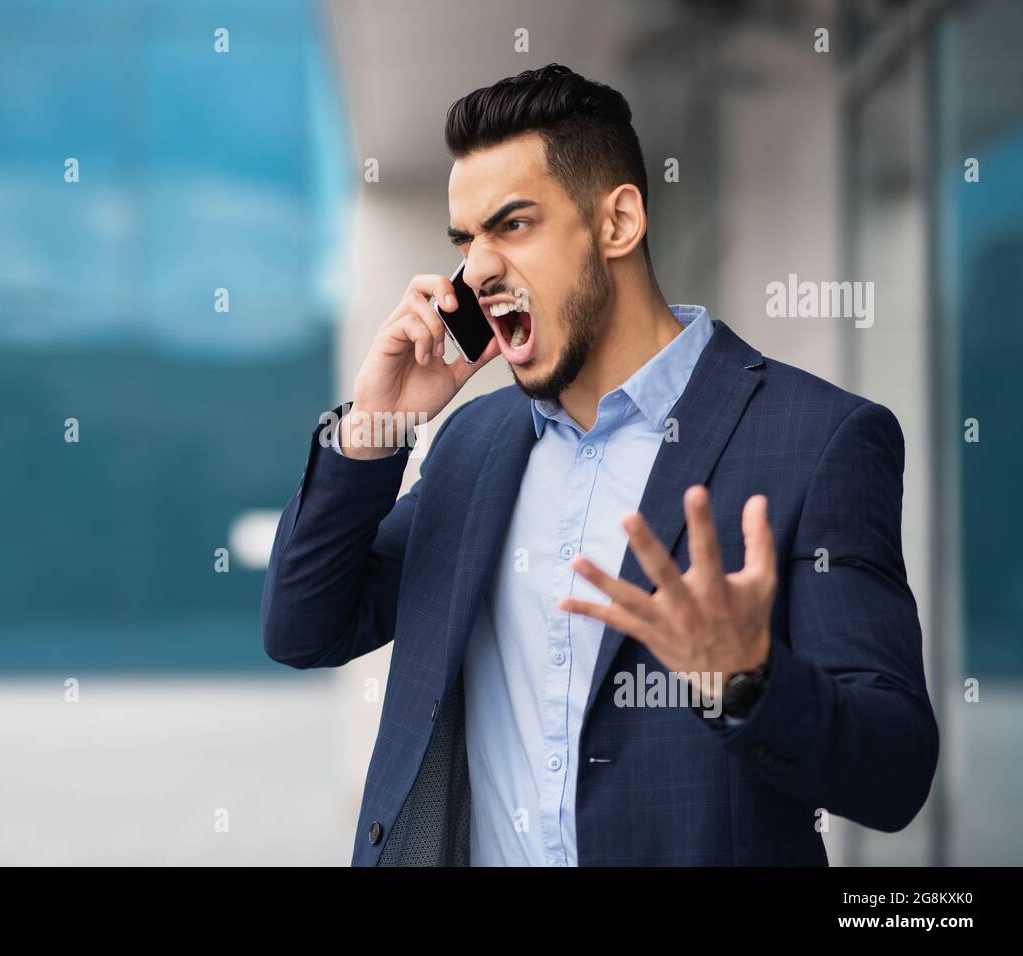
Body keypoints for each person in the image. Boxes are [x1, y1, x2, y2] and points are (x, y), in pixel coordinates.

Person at [261, 63, 938, 866]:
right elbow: (304, 628)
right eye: (464, 241)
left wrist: (750, 680)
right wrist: (377, 426)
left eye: (512, 226)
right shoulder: (472, 446)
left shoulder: (819, 440)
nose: (475, 269)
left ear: (618, 222)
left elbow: (894, 772)